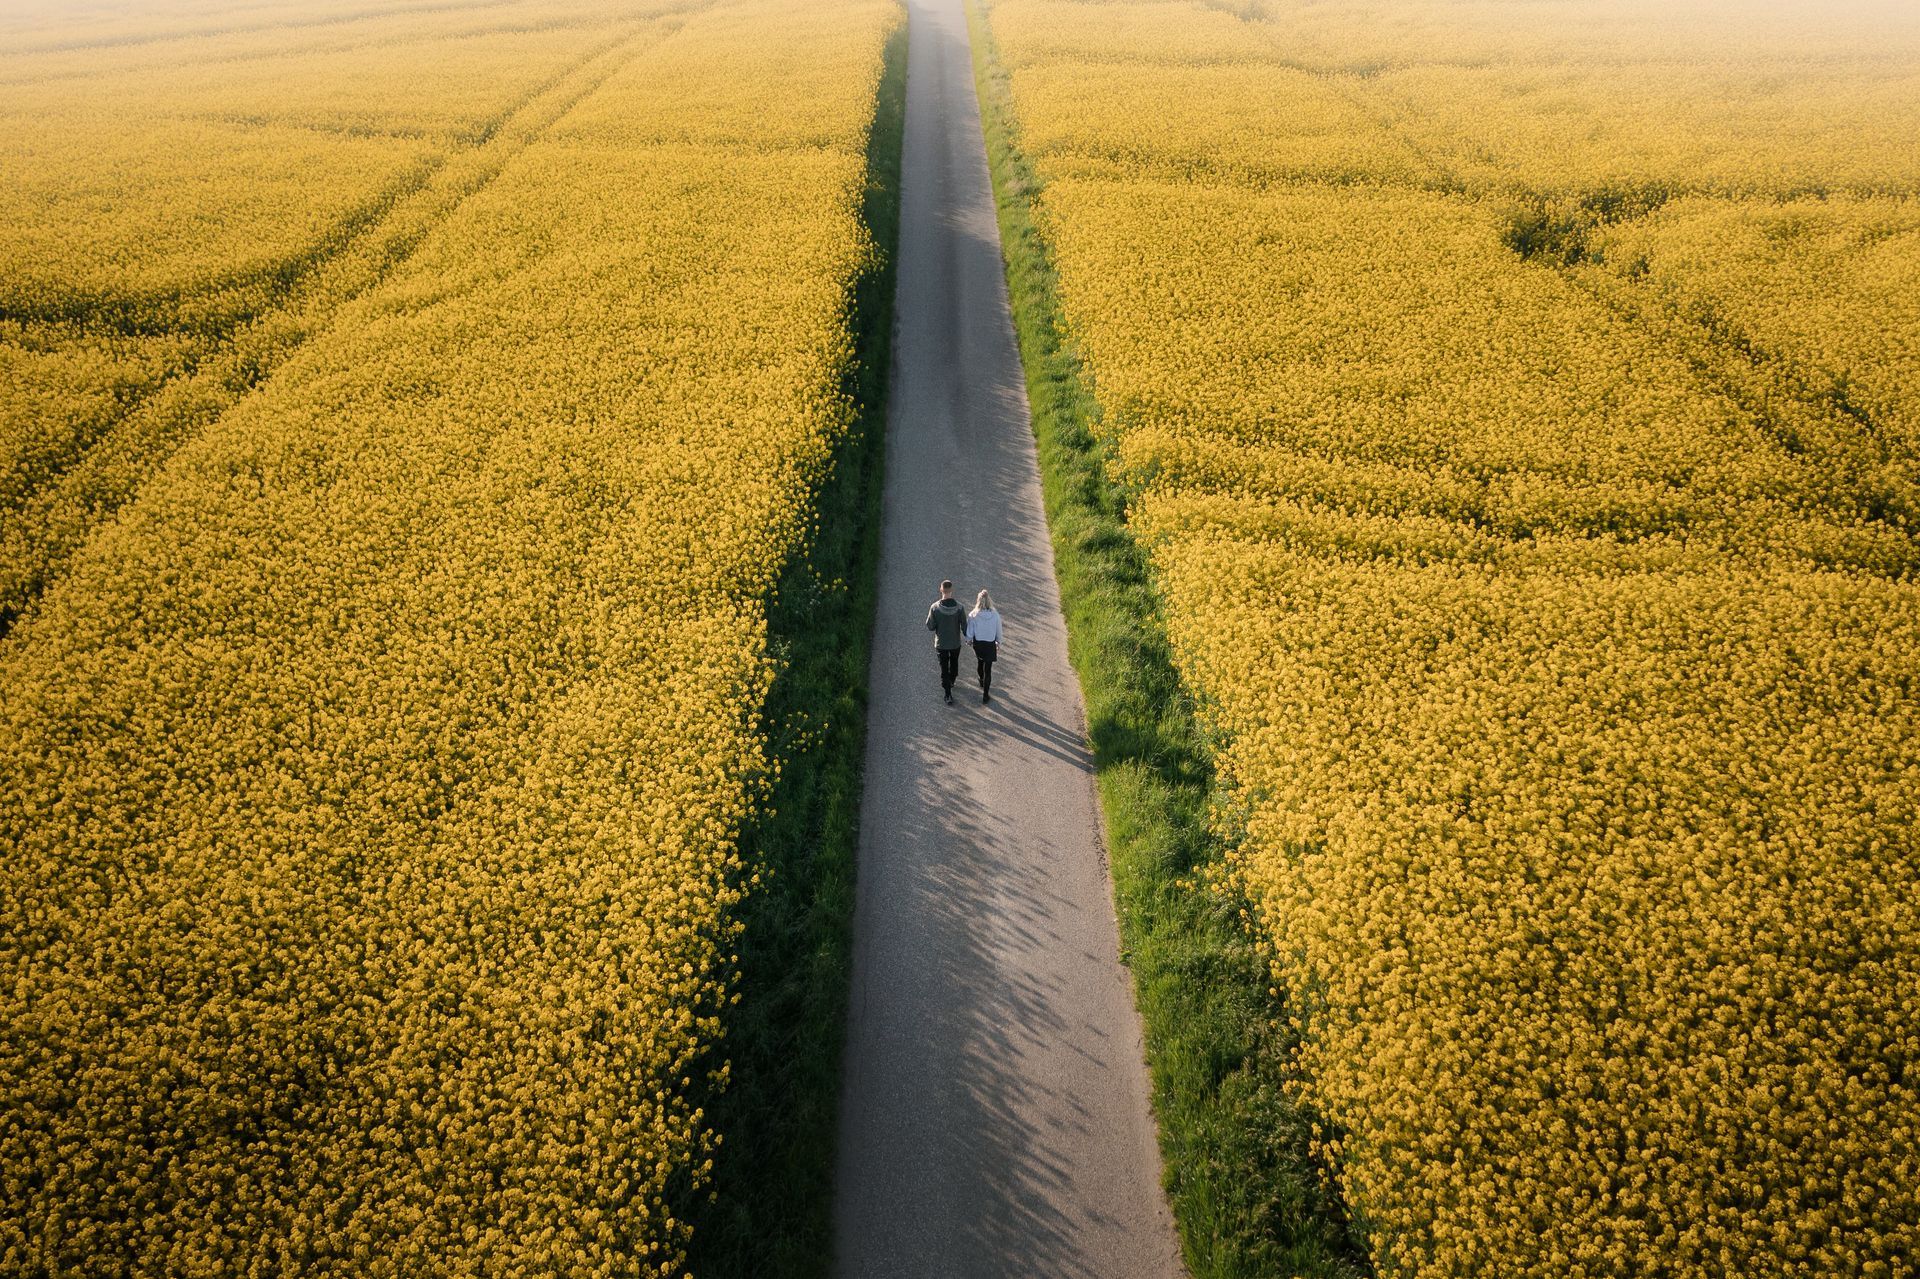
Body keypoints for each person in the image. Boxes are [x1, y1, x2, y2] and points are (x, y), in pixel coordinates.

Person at [925, 580, 968, 705]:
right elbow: (964, 626)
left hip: (941, 644)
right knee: (954, 664)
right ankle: (952, 679)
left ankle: (947, 694)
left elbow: (930, 626)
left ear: (941, 590)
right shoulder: (960, 608)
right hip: (955, 643)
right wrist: (969, 637)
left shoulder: (934, 608)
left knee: (944, 668)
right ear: (951, 590)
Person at [967, 589, 1001, 703]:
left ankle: (981, 679)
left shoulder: (973, 614)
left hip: (978, 644)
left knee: (980, 662)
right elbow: (998, 630)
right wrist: (998, 641)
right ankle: (985, 694)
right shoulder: (995, 615)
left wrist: (969, 640)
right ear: (989, 601)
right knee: (988, 669)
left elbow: (970, 631)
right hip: (990, 644)